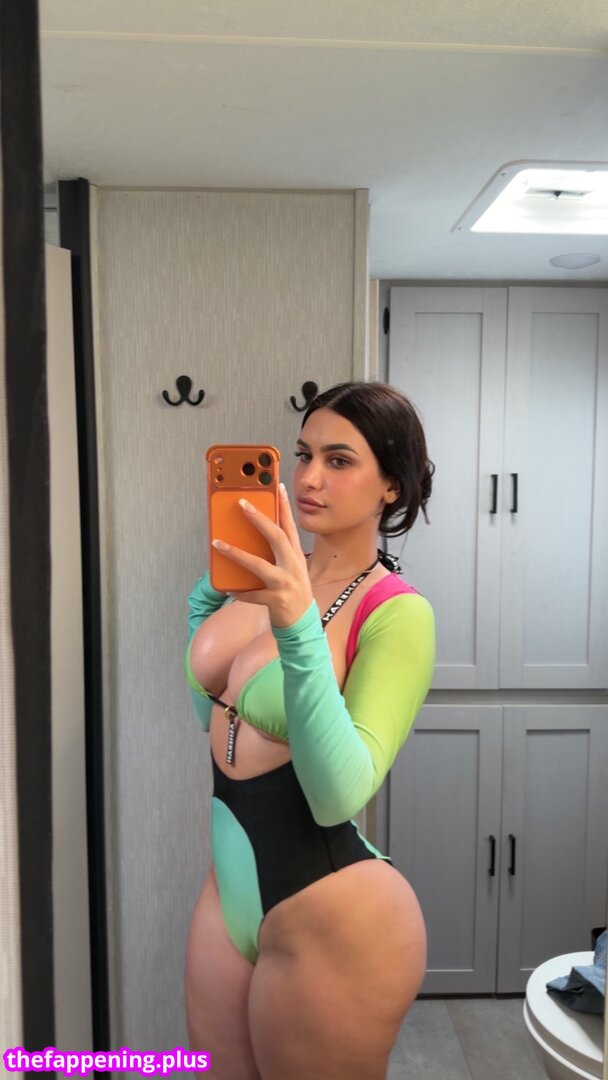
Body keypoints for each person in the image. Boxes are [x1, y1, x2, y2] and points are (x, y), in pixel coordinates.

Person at [183, 381, 436, 1080]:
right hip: (230, 886)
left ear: (391, 486)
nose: (309, 478)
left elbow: (339, 794)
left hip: (336, 910)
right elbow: (218, 720)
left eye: (339, 460)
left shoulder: (397, 613)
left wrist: (296, 626)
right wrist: (207, 604)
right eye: (302, 455)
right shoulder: (265, 580)